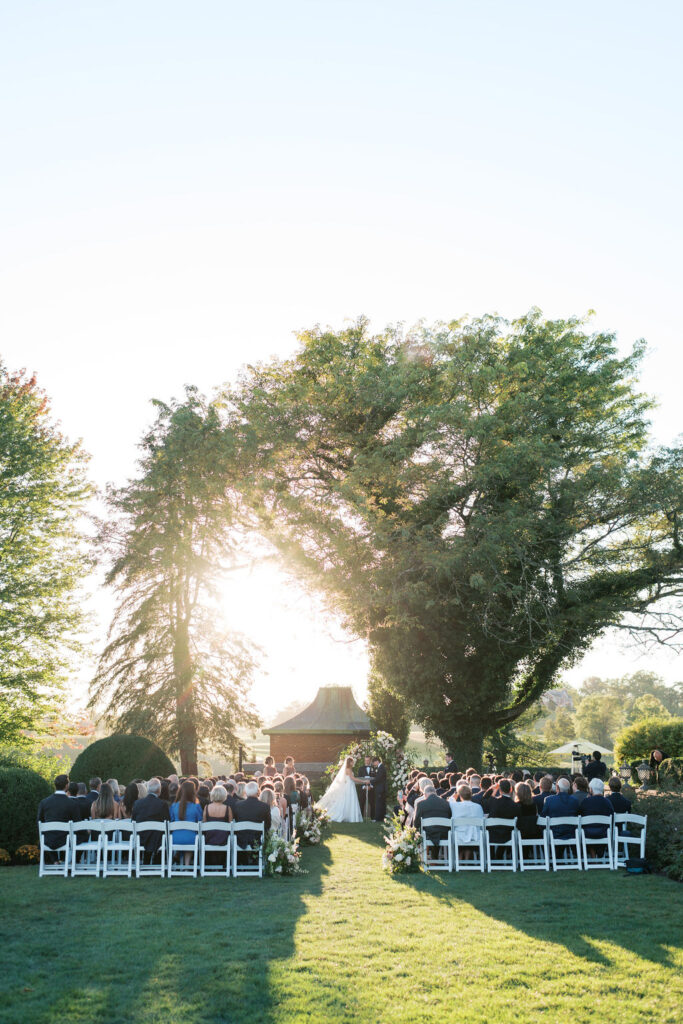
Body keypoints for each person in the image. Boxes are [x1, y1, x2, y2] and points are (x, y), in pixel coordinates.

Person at [38, 774, 80, 855]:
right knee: (82, 835)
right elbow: (77, 824)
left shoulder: (44, 802)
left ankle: (55, 860)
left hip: (47, 840)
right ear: (67, 786)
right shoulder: (72, 803)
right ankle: (74, 861)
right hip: (65, 840)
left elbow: (39, 821)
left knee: (51, 834)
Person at [316, 756, 366, 823]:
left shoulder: (347, 769)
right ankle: (347, 816)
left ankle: (347, 816)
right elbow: (353, 778)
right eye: (352, 762)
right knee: (349, 800)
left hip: (349, 785)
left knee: (347, 801)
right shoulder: (349, 769)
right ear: (350, 762)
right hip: (349, 786)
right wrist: (364, 781)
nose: (353, 763)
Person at [131, 778, 170, 861]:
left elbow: (133, 821)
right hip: (157, 839)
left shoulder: (137, 803)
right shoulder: (163, 804)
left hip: (140, 838)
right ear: (159, 790)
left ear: (147, 790)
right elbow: (167, 822)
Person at [169, 780, 203, 864]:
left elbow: (171, 820)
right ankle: (186, 866)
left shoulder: (174, 805)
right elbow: (200, 820)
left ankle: (177, 855)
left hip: (175, 838)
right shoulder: (196, 806)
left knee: (184, 835)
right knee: (190, 836)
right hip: (191, 838)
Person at [414, 784, 452, 856]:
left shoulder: (421, 804)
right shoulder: (446, 803)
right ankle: (435, 858)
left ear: (425, 794)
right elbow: (450, 818)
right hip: (444, 834)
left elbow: (416, 824)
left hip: (428, 834)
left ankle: (425, 857)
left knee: (420, 832)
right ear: (435, 793)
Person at [233, 781, 271, 850]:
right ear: (258, 792)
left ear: (246, 792)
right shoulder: (265, 806)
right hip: (257, 840)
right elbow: (268, 825)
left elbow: (236, 820)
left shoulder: (238, 805)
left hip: (241, 840)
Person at [448, 783, 484, 856]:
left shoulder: (454, 805)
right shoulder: (478, 807)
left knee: (461, 831)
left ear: (460, 795)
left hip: (459, 836)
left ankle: (460, 858)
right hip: (475, 836)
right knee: (469, 831)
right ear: (471, 795)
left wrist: (455, 795)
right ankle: (466, 858)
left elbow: (449, 800)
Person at [203, 785, 231, 866]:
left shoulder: (207, 807)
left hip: (209, 837)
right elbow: (230, 824)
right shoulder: (227, 808)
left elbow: (204, 822)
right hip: (223, 838)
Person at [372, 756, 387, 822]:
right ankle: (381, 818)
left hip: (380, 788)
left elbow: (378, 778)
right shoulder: (381, 767)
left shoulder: (381, 768)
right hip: (381, 788)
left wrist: (370, 781)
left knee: (379, 803)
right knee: (381, 803)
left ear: (377, 761)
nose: (373, 764)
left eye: (374, 762)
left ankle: (377, 818)